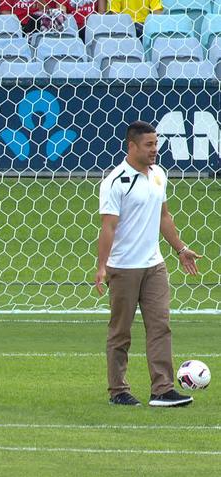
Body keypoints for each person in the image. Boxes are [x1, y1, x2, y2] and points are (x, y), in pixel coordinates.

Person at [95, 121, 202, 408]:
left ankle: (162, 390)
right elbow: (108, 228)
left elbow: (163, 216)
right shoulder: (115, 181)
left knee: (160, 326)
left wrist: (180, 249)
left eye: (156, 144)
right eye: (149, 145)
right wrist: (102, 267)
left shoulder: (158, 175)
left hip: (155, 265)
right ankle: (118, 390)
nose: (155, 150)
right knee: (121, 331)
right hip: (124, 268)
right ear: (132, 146)